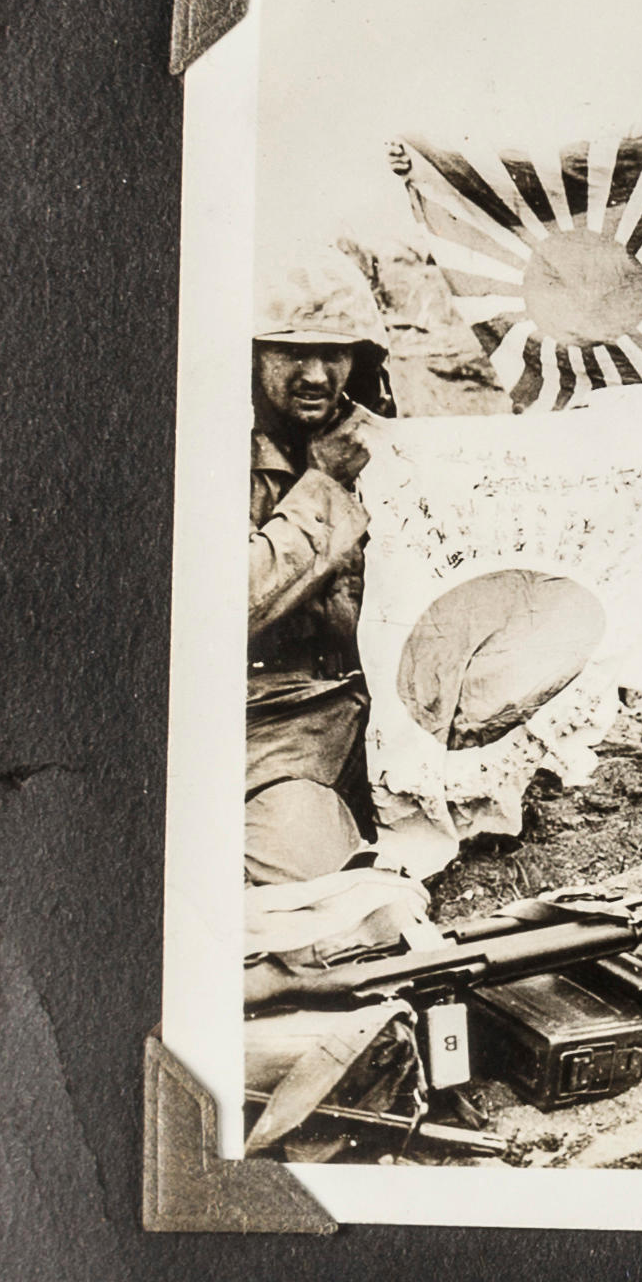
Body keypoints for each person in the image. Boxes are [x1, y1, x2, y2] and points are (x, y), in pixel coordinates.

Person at [247, 247, 391, 885]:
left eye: (334, 353)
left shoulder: (372, 443)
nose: (315, 374)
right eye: (291, 352)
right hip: (269, 730)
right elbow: (232, 604)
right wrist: (324, 486)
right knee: (316, 880)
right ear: (254, 356)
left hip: (367, 717)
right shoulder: (209, 451)